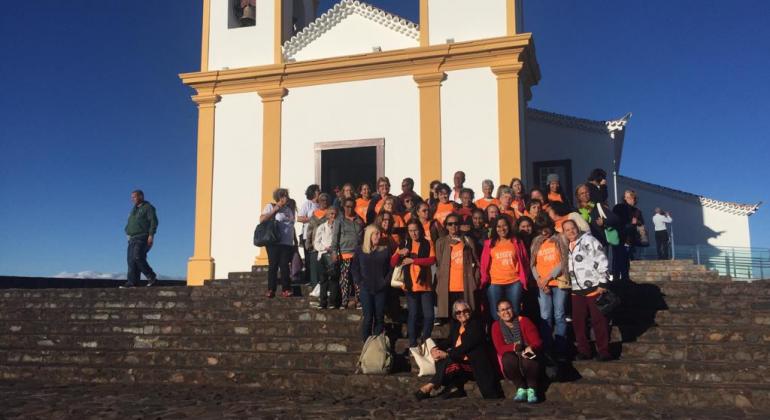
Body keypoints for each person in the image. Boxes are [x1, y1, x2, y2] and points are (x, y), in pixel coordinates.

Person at [414, 300, 503, 400]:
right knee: (446, 361)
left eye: (465, 311)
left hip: (473, 365)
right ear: (455, 315)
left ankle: (429, 386)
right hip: (460, 363)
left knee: (448, 360)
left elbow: (466, 346)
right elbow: (448, 341)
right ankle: (450, 387)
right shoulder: (457, 327)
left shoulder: (476, 325)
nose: (462, 314)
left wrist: (447, 354)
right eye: (458, 312)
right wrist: (435, 349)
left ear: (470, 311)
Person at [563, 219, 612, 361]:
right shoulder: (566, 245)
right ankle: (584, 350)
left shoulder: (589, 240)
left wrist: (603, 282)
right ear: (564, 233)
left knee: (599, 320)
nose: (571, 231)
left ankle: (603, 351)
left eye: (573, 228)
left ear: (577, 228)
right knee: (578, 322)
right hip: (576, 289)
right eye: (567, 230)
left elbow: (602, 259)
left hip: (594, 287)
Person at [391, 219, 436, 348]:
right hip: (410, 285)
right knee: (413, 314)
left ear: (420, 230)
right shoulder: (404, 244)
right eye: (410, 231)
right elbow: (393, 263)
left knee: (429, 315)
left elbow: (432, 260)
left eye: (415, 230)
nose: (413, 233)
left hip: (425, 284)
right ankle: (412, 342)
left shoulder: (428, 243)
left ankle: (425, 338)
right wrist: (399, 253)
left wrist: (413, 261)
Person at [530, 215, 570, 358]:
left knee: (559, 314)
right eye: (540, 229)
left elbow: (564, 260)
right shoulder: (536, 241)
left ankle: (561, 348)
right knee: (545, 316)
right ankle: (546, 348)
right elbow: (532, 263)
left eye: (545, 228)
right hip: (542, 284)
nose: (543, 232)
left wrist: (548, 278)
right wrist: (540, 281)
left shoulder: (560, 238)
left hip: (558, 282)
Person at [490, 299, 543, 403]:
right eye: (502, 310)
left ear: (513, 309)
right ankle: (521, 388)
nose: (506, 312)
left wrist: (531, 347)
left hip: (526, 355)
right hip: (512, 357)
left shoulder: (524, 321)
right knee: (507, 358)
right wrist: (514, 347)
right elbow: (499, 348)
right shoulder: (496, 326)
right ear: (498, 313)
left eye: (508, 308)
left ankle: (532, 389)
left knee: (528, 358)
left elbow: (537, 341)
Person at [481, 216, 530, 320]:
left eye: (504, 225)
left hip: (514, 282)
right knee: (496, 314)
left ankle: (514, 336)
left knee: (514, 312)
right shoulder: (489, 243)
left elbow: (525, 261)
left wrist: (524, 278)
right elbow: (484, 264)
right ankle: (500, 336)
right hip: (495, 283)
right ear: (495, 228)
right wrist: (484, 279)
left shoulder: (517, 242)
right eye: (498, 226)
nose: (502, 229)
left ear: (509, 226)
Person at [435, 213, 482, 320]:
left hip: (466, 284)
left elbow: (476, 261)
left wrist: (476, 278)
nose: (453, 226)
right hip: (448, 286)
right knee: (452, 318)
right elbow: (439, 263)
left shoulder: (468, 240)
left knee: (468, 316)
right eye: (450, 224)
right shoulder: (440, 242)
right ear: (446, 226)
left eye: (456, 223)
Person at [351, 225, 391, 341]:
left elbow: (390, 268)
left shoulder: (385, 250)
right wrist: (359, 282)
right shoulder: (360, 250)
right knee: (368, 317)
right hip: (366, 288)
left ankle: (376, 344)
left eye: (379, 233)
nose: (379, 236)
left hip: (381, 288)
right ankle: (366, 344)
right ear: (369, 235)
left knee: (379, 317)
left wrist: (385, 281)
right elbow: (355, 268)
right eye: (376, 233)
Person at [260, 188, 297, 298]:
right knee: (273, 265)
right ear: (279, 198)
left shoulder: (289, 210)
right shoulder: (270, 206)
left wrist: (295, 240)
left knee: (285, 265)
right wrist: (275, 209)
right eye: (284, 196)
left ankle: (286, 289)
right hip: (274, 242)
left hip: (287, 243)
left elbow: (291, 226)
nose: (286, 198)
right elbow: (261, 219)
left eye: (286, 196)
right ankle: (271, 289)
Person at [332, 197, 365, 309]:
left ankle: (359, 300)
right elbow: (335, 237)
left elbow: (363, 238)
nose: (349, 209)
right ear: (343, 207)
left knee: (357, 279)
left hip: (357, 254)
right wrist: (334, 252)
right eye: (347, 206)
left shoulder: (359, 220)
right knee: (344, 279)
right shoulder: (339, 220)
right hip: (344, 254)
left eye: (351, 207)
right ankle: (344, 301)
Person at [122, 189, 158, 288]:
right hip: (131, 238)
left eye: (134, 197)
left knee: (137, 256)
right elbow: (130, 223)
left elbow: (153, 221)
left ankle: (151, 276)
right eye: (132, 197)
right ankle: (132, 282)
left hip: (142, 236)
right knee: (130, 260)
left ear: (141, 196)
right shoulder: (133, 210)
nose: (132, 199)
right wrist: (127, 232)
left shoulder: (148, 208)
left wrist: (151, 235)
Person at [613, 189, 645, 281]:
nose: (630, 199)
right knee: (618, 259)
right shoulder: (619, 207)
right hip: (618, 237)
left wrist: (637, 222)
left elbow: (642, 222)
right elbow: (615, 220)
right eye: (627, 197)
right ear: (624, 198)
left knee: (626, 260)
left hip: (630, 238)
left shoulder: (637, 211)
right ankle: (617, 280)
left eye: (631, 197)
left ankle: (625, 279)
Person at [313, 206, 340, 309]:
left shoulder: (338, 227)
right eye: (331, 214)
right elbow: (316, 243)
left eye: (335, 214)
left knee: (334, 279)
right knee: (323, 279)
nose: (333, 216)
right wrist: (325, 248)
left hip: (334, 255)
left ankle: (333, 302)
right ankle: (323, 302)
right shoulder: (321, 227)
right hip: (323, 255)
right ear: (327, 215)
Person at [305, 193, 332, 290]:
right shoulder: (314, 214)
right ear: (318, 202)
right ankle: (315, 288)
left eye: (326, 200)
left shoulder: (331, 214)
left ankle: (326, 289)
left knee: (326, 269)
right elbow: (309, 230)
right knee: (314, 269)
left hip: (325, 246)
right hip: (314, 245)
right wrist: (308, 242)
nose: (324, 202)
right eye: (321, 200)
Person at [298, 184, 321, 284]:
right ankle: (309, 279)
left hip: (320, 235)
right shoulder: (307, 204)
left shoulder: (321, 204)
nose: (319, 192)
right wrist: (312, 219)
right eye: (317, 190)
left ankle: (318, 279)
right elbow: (299, 218)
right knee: (308, 259)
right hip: (308, 235)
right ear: (312, 192)